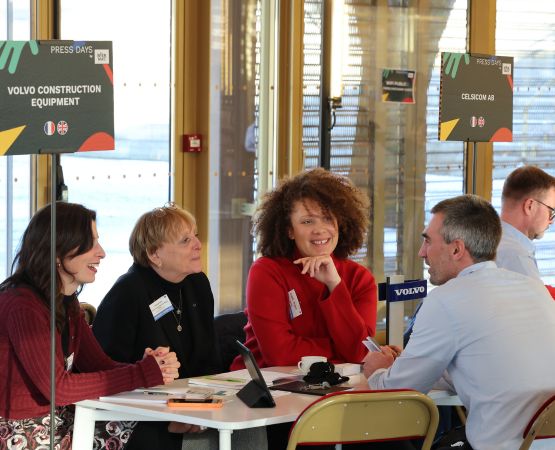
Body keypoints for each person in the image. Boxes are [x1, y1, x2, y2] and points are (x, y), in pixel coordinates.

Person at [363, 194, 555, 450]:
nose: (422, 253)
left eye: (427, 241)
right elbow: (489, 364)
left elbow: (396, 392)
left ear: (456, 249)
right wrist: (413, 364)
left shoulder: (445, 300)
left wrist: (376, 370)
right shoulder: (533, 288)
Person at [0, 202, 179, 450]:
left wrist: (147, 367)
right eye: (90, 243)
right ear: (58, 251)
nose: (102, 252)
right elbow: (58, 388)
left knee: (155, 428)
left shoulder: (66, 302)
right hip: (18, 431)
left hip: (56, 420)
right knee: (148, 434)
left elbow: (100, 366)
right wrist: (141, 374)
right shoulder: (23, 305)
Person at [93, 203, 266, 450]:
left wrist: (212, 403)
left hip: (193, 404)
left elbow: (208, 360)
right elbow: (108, 376)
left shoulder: (197, 283)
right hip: (142, 414)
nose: (198, 244)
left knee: (250, 425)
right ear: (155, 254)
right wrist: (172, 418)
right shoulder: (127, 293)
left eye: (195, 235)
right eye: (185, 240)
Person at [231, 167, 378, 370]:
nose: (319, 229)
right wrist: (340, 349)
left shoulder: (360, 278)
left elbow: (360, 352)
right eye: (307, 221)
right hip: (267, 388)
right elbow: (280, 355)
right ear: (290, 230)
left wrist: (334, 284)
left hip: (335, 387)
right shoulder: (267, 272)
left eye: (328, 218)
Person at [496, 166, 555, 283]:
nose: (551, 221)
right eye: (551, 211)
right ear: (530, 206)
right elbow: (538, 301)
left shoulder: (487, 240)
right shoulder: (517, 258)